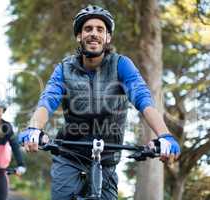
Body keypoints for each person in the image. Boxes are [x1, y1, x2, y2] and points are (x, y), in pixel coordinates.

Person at [18, 5, 180, 200]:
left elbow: (142, 98)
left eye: (100, 29)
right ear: (79, 36)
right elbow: (48, 100)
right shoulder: (64, 68)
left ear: (108, 38)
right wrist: (34, 128)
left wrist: (165, 135)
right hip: (70, 155)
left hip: (107, 158)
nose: (94, 33)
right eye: (88, 29)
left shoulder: (121, 64)